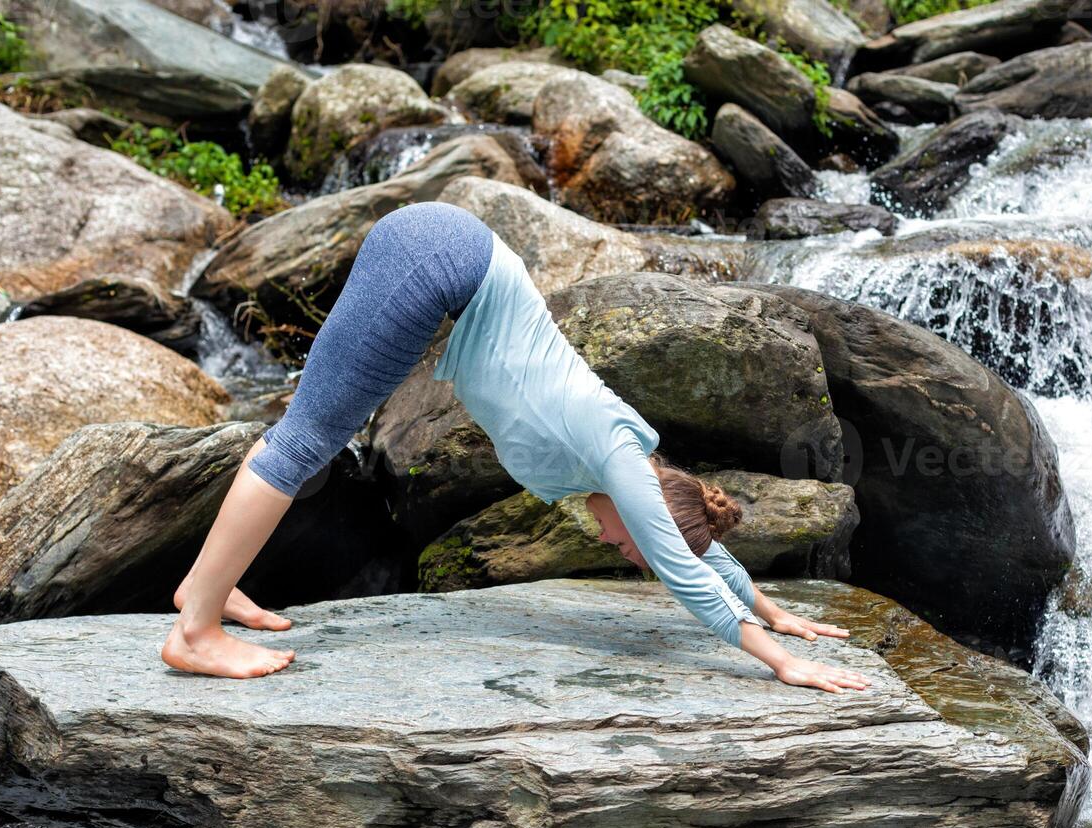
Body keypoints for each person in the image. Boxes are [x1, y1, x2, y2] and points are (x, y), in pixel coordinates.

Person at [163, 201, 869, 694]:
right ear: (646, 509)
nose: (615, 546)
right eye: (630, 547)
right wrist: (779, 661)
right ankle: (196, 630)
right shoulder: (621, 461)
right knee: (307, 440)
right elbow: (683, 570)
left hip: (446, 259)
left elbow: (695, 548)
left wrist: (772, 609)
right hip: (440, 257)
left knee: (311, 432)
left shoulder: (628, 476)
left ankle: (207, 588)